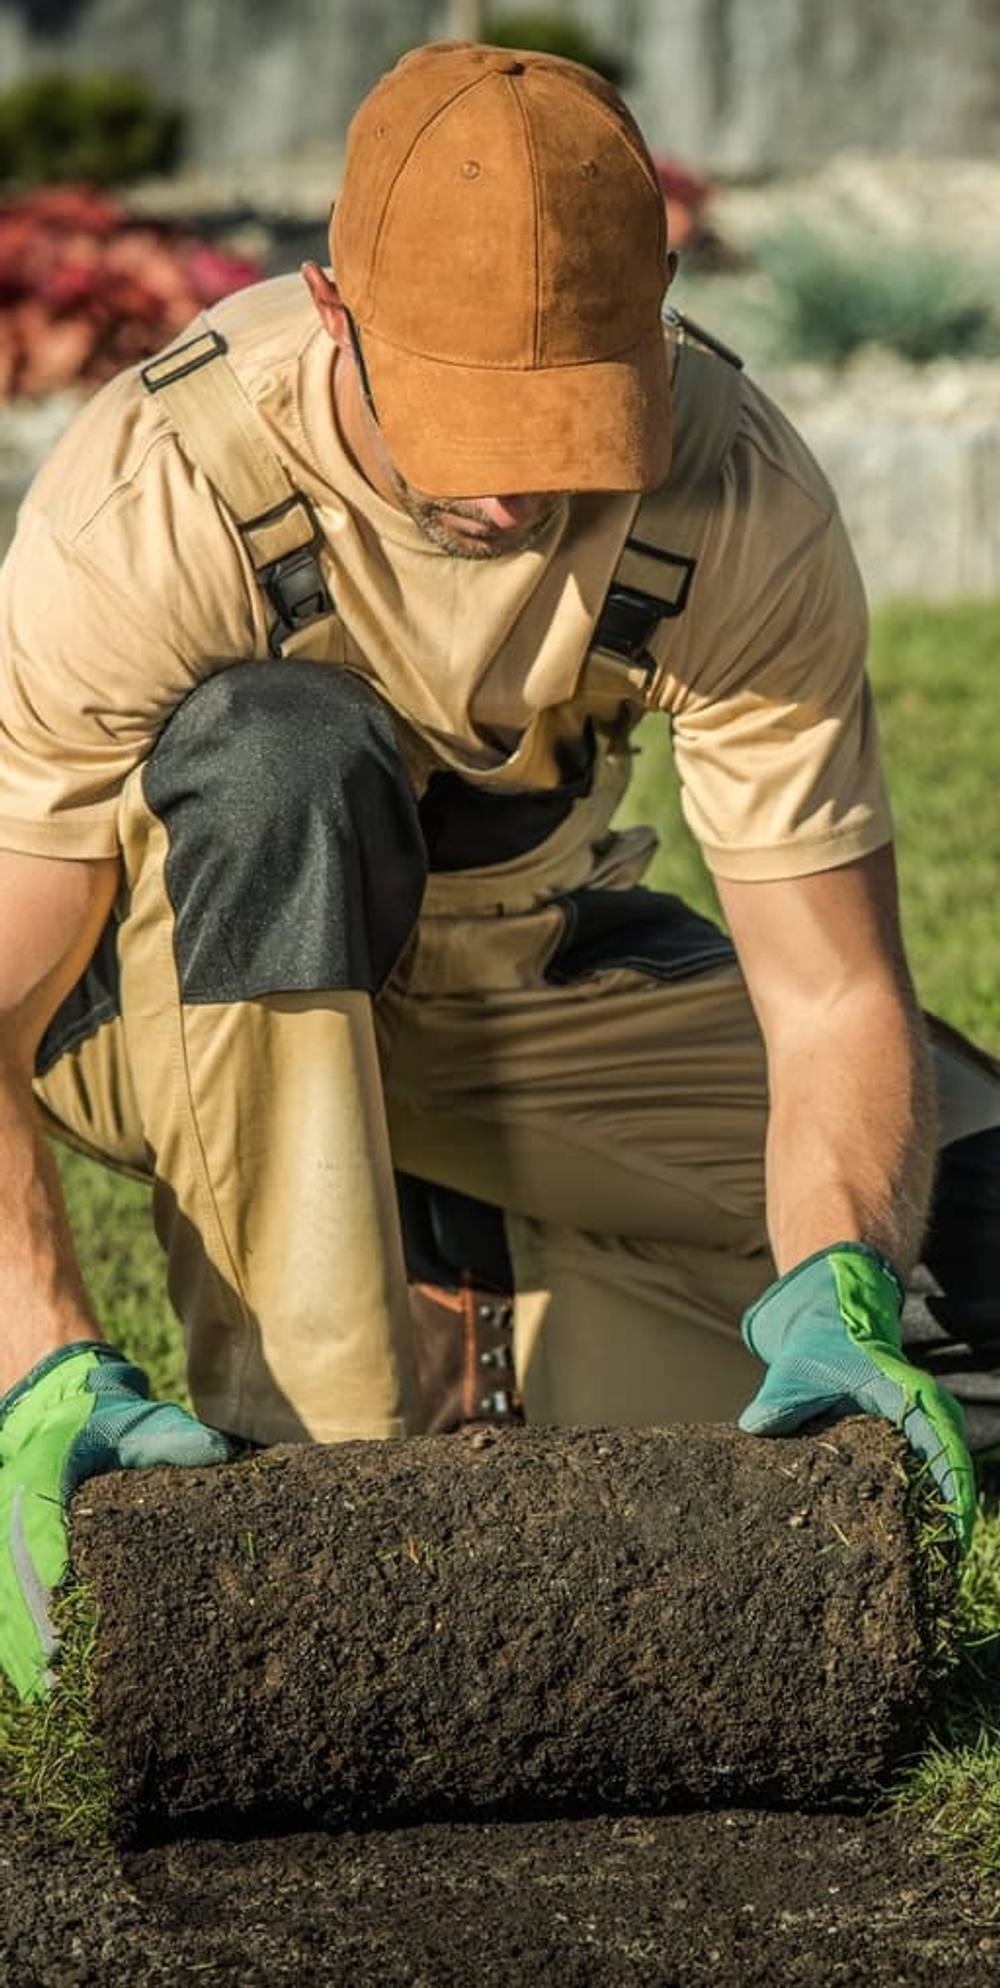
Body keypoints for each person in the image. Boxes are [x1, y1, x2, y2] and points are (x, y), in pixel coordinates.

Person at [0, 41, 992, 1704]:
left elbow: (829, 999)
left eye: (562, 425)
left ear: (663, 298)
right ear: (332, 310)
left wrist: (841, 1283)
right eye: (458, 419)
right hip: (183, 999)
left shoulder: (734, 489)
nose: (508, 487)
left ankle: (504, 1311)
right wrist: (33, 1361)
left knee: (965, 1256)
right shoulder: (158, 498)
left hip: (514, 981)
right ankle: (308, 1487)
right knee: (277, 756)